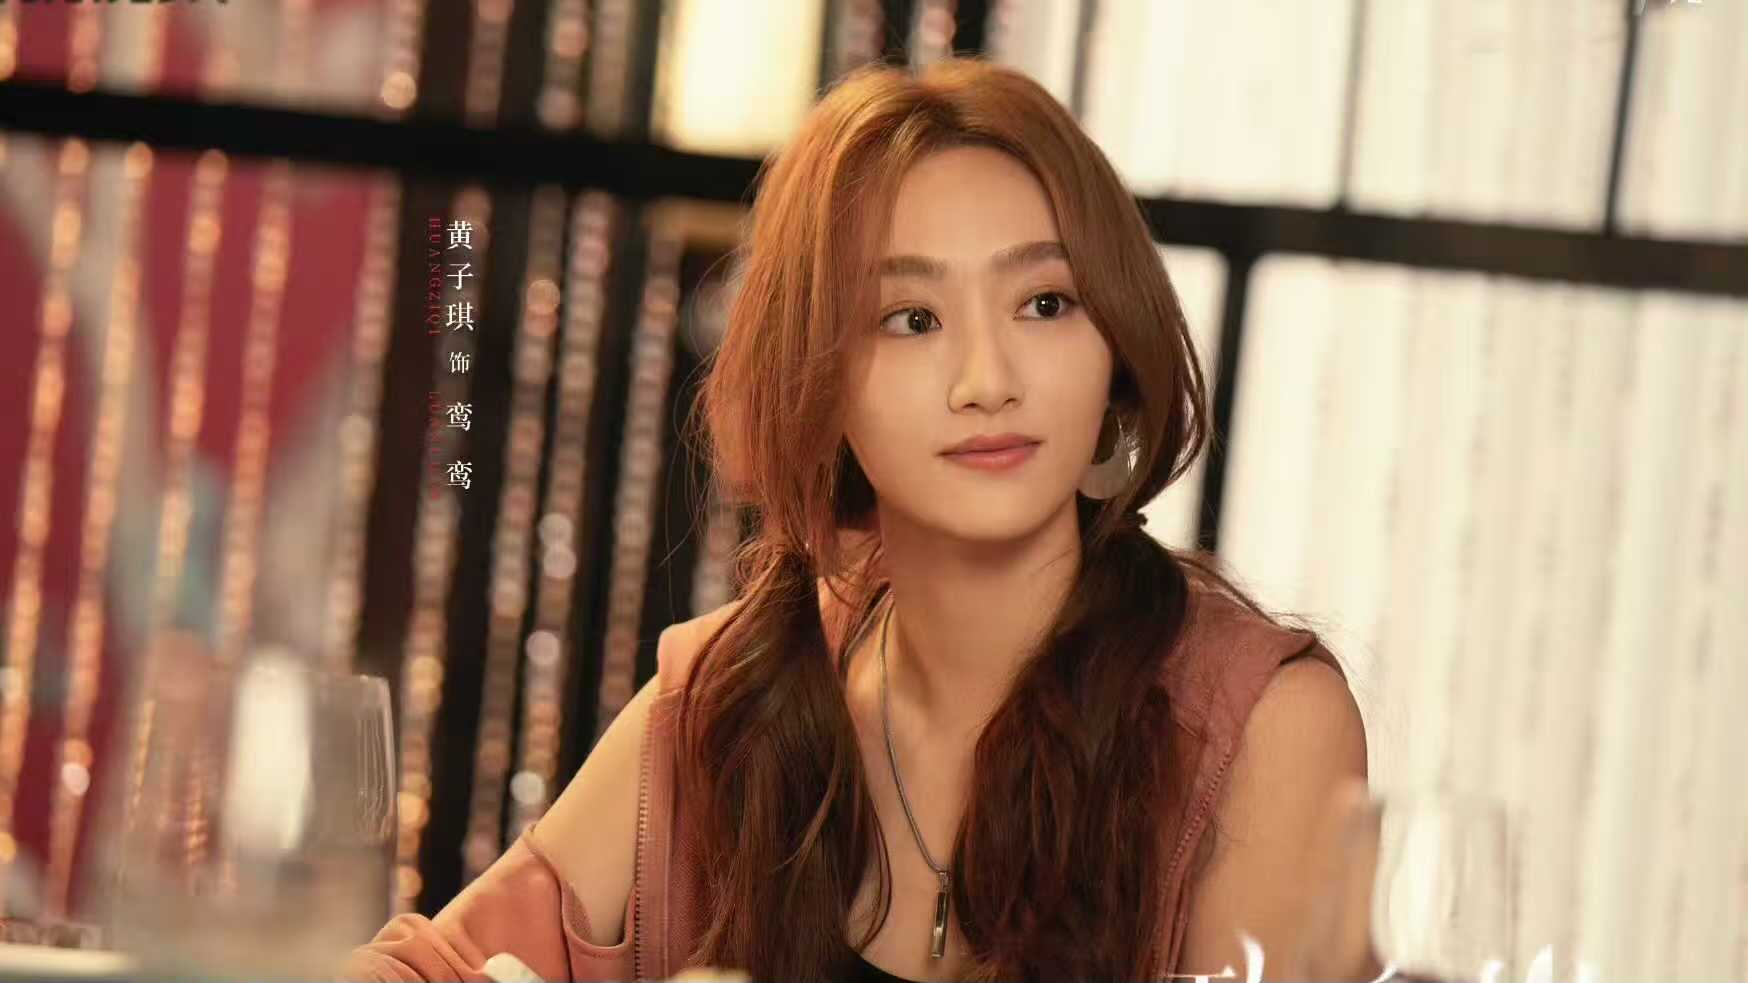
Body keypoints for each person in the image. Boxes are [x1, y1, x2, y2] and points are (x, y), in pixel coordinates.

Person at [342, 56, 1380, 983]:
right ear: (820, 380)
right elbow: (428, 965)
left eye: (1045, 302)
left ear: (1114, 345)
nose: (987, 379)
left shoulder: (1261, 729)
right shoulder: (731, 696)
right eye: (911, 319)